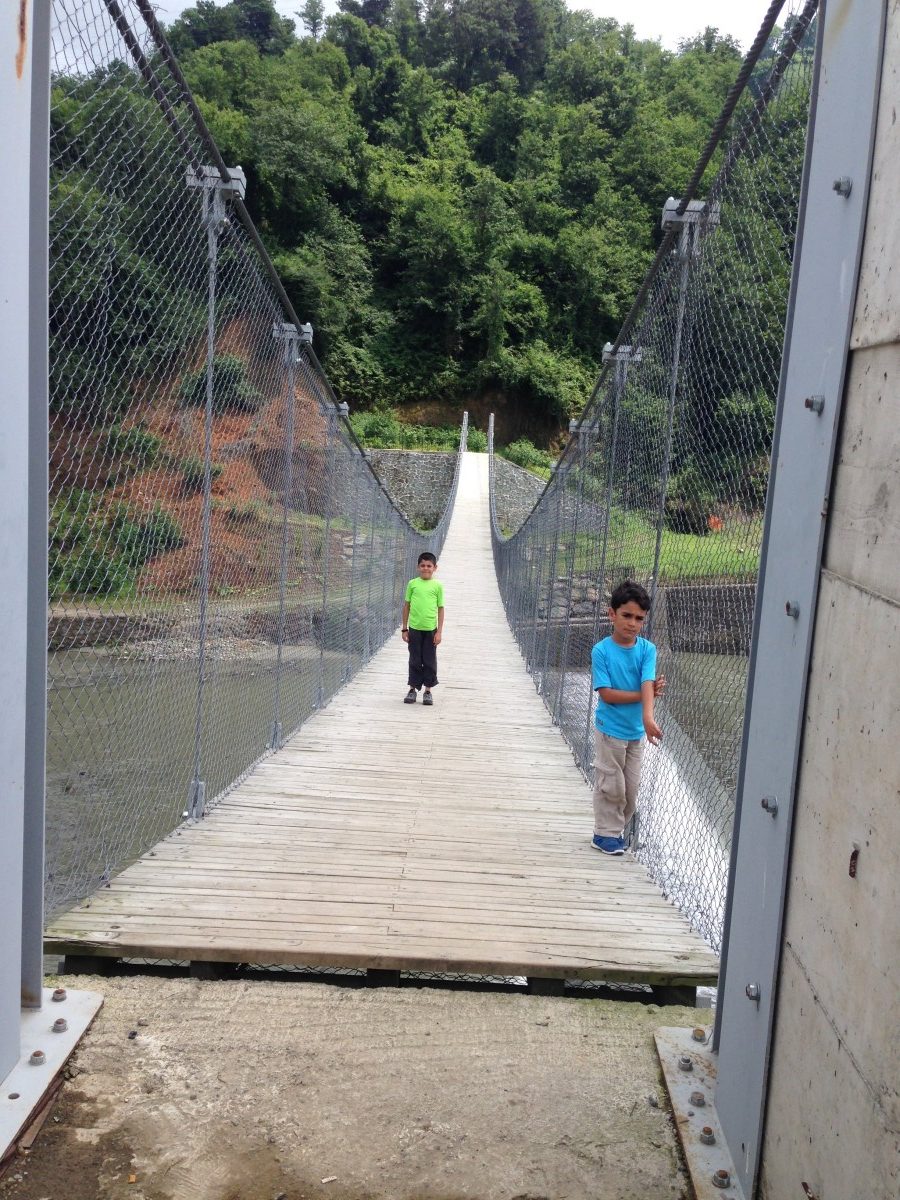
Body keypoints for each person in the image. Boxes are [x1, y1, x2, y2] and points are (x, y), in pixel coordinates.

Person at [590, 580, 665, 855]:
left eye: (639, 618)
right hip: (609, 731)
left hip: (635, 733)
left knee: (630, 790)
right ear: (612, 614)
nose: (633, 623)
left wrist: (648, 718)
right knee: (612, 784)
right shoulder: (601, 651)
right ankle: (604, 834)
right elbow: (607, 694)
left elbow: (647, 681)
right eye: (627, 615)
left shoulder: (647, 650)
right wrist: (645, 696)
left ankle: (617, 830)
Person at [401, 551, 444, 706]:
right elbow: (406, 606)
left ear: (435, 568)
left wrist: (439, 632)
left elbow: (440, 608)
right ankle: (412, 689)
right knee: (414, 659)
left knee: (429, 660)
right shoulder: (412, 584)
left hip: (430, 629)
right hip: (414, 628)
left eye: (429, 566)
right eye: (423, 565)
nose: (426, 568)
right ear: (418, 567)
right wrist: (404, 629)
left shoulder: (437, 586)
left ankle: (427, 691)